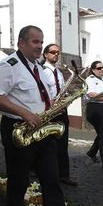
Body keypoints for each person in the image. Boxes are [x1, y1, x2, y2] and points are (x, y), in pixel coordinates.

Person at [0, 25, 87, 206]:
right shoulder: (8, 65)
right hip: (18, 129)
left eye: (41, 42)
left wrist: (51, 109)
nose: (40, 46)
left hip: (42, 130)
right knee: (18, 184)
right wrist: (24, 113)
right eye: (35, 41)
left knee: (52, 184)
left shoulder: (39, 68)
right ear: (22, 42)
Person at [41, 44, 77, 186]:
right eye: (53, 52)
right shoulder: (42, 71)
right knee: (48, 144)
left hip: (61, 111)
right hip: (48, 112)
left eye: (58, 52)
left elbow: (62, 90)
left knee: (63, 144)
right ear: (45, 54)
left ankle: (64, 174)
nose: (56, 54)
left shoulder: (59, 72)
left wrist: (66, 98)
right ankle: (47, 172)